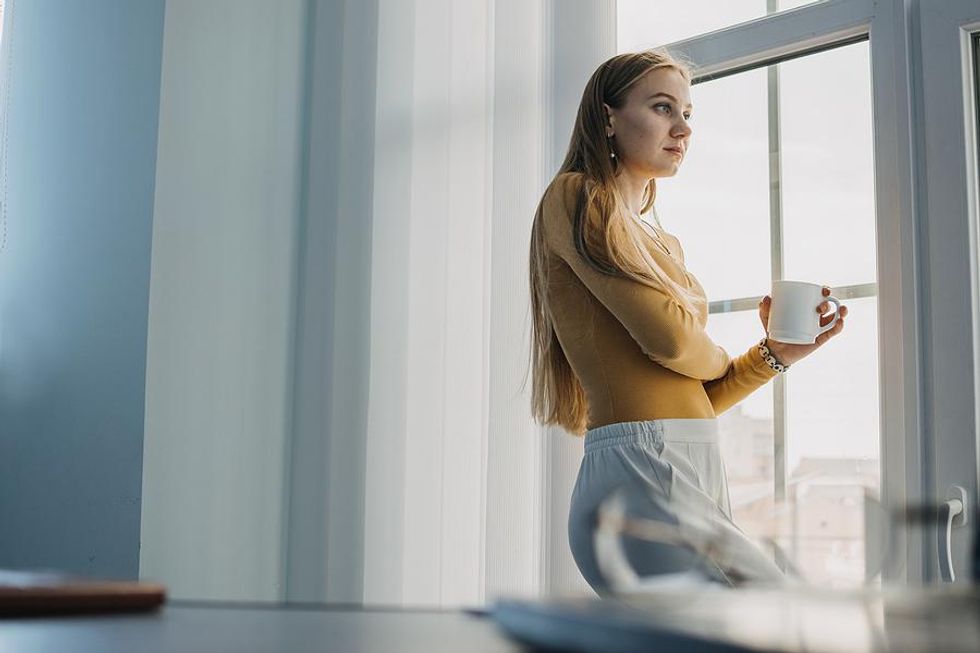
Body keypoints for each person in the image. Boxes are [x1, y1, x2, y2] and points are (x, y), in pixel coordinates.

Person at [527, 49, 848, 592]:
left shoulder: (660, 242)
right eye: (661, 108)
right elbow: (670, 342)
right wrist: (711, 352)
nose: (683, 129)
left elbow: (691, 396)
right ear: (607, 117)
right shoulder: (576, 195)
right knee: (783, 616)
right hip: (641, 473)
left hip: (679, 463)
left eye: (688, 114)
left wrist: (774, 354)